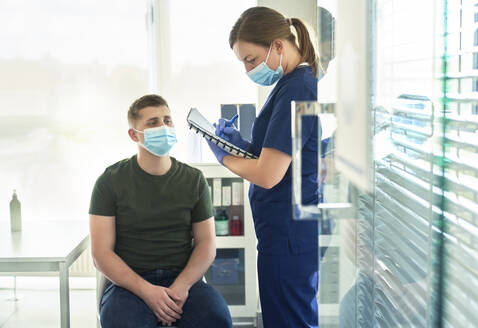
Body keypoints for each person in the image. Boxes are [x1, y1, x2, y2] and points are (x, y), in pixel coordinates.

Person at [207, 7, 320, 328]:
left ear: (278, 46)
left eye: (251, 59)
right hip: (283, 231)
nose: (247, 69)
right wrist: (238, 144)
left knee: (289, 320)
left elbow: (270, 174)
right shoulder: (288, 85)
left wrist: (224, 156)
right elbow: (273, 154)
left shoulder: (297, 89)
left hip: (288, 233)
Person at [89, 94, 232, 328]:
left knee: (217, 319)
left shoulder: (193, 180)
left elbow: (207, 244)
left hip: (183, 280)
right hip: (129, 284)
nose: (163, 127)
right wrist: (148, 292)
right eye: (153, 122)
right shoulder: (109, 181)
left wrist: (181, 287)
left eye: (167, 120)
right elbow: (101, 254)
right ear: (134, 135)